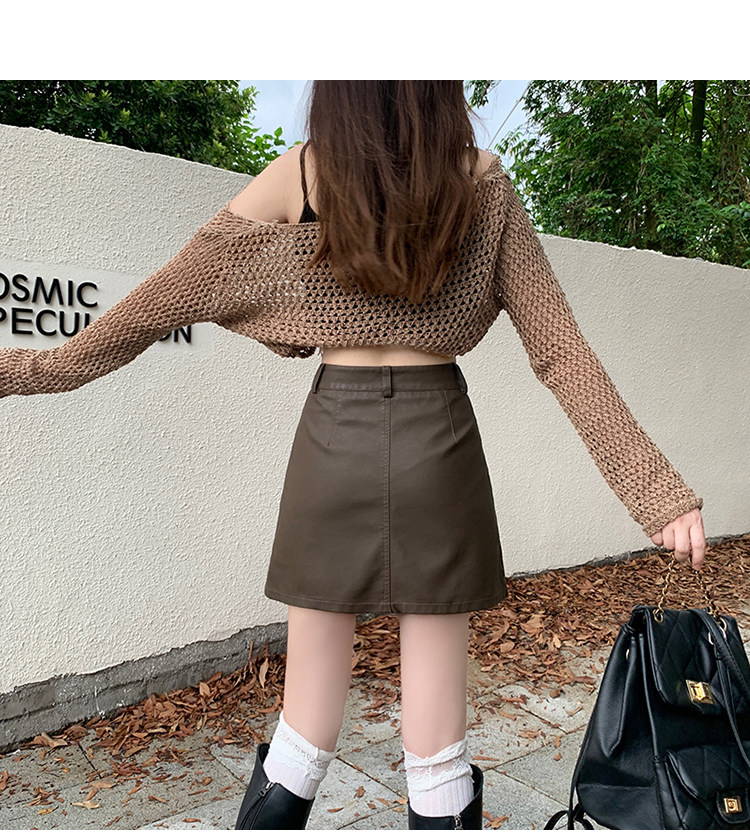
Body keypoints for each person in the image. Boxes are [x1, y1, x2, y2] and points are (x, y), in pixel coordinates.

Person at [0, 81, 705, 831]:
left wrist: (28, 370)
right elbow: (560, 351)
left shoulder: (302, 174)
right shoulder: (480, 182)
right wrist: (658, 493)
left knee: (302, 733)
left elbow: (156, 304)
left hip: (334, 442)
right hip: (440, 450)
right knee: (437, 751)